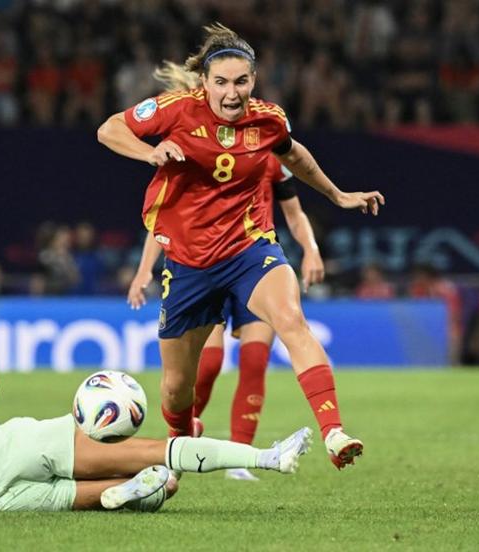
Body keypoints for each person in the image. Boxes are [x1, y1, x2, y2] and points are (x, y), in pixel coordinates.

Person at [98, 24, 384, 469]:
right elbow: (109, 129)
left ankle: (333, 431)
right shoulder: (175, 110)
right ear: (205, 83)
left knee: (291, 320)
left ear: (253, 80)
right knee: (177, 386)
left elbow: (296, 155)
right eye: (222, 83)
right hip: (189, 263)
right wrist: (148, 153)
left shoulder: (269, 119)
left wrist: (338, 195)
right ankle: (179, 447)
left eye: (241, 82)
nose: (232, 93)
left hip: (249, 250)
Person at [0, 349, 313, 512]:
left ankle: (124, 495)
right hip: (13, 450)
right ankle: (268, 458)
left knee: (117, 492)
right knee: (159, 450)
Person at [126, 61, 325, 481]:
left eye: (240, 83)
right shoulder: (190, 141)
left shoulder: (268, 148)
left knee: (255, 359)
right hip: (202, 264)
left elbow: (294, 210)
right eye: (221, 83)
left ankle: (240, 457)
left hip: (251, 260)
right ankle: (186, 436)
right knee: (207, 365)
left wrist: (310, 250)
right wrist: (144, 270)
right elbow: (167, 221)